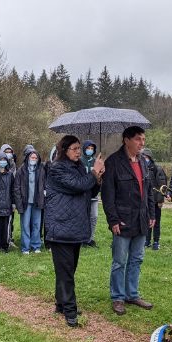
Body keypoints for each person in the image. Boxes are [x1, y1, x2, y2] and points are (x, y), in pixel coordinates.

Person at [44, 135, 104, 327]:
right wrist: (92, 174)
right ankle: (70, 311)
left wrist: (98, 178)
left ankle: (61, 303)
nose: (79, 151)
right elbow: (77, 186)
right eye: (75, 148)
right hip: (60, 227)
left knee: (67, 269)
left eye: (79, 148)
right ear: (64, 150)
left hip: (75, 226)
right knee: (66, 272)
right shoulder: (56, 169)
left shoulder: (79, 167)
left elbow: (88, 192)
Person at [102, 126, 156, 315]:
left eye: (143, 139)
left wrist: (151, 214)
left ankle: (132, 294)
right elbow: (107, 195)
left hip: (141, 219)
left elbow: (148, 189)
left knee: (137, 259)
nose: (142, 143)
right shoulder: (113, 162)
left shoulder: (143, 161)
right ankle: (118, 297)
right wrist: (113, 220)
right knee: (119, 261)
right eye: (138, 139)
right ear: (126, 140)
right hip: (123, 220)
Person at [14, 148, 45, 254]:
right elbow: (16, 189)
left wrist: (44, 194)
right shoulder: (21, 170)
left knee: (37, 224)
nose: (34, 159)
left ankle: (36, 246)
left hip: (37, 201)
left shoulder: (41, 169)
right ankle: (25, 247)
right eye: (32, 157)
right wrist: (19, 204)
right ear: (27, 158)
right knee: (25, 225)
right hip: (25, 202)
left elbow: (45, 184)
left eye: (36, 158)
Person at [141, 148, 167, 250]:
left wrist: (160, 200)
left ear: (150, 158)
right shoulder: (141, 168)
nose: (144, 159)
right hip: (145, 201)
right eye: (143, 157)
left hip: (156, 200)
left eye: (146, 157)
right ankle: (147, 240)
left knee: (156, 221)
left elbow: (163, 186)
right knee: (147, 221)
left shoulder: (157, 169)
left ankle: (156, 241)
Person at [80, 140, 100, 247]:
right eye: (88, 148)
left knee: (94, 216)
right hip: (83, 194)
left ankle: (90, 238)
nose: (90, 150)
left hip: (94, 194)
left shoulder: (96, 161)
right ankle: (82, 238)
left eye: (92, 149)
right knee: (84, 217)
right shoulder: (79, 161)